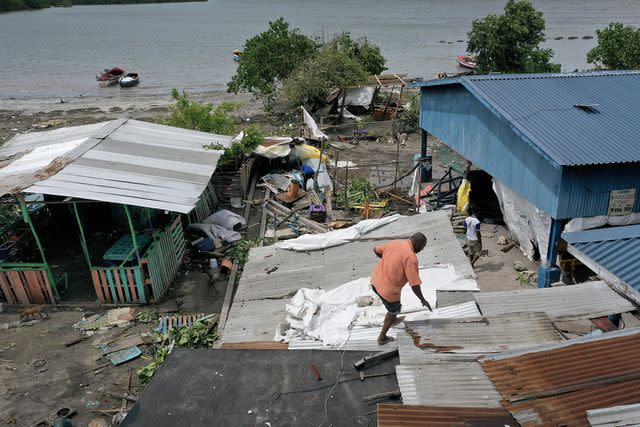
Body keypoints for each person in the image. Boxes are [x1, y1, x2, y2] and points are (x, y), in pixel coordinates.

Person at [371, 232, 432, 345]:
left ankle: (393, 319)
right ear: (417, 243)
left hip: (375, 281)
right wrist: (423, 300)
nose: (421, 250)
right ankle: (382, 338)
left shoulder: (396, 243)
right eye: (422, 247)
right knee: (393, 309)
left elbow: (376, 249)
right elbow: (414, 285)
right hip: (388, 290)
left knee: (396, 305)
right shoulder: (411, 258)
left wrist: (387, 261)